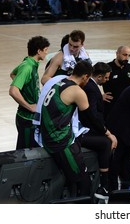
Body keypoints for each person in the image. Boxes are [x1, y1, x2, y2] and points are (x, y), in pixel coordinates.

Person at [36, 61, 94, 197]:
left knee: (73, 180)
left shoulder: (59, 82)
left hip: (48, 137)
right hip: (61, 142)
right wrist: (107, 132)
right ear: (85, 77)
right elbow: (90, 118)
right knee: (83, 181)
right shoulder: (77, 91)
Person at [78, 62, 117, 200]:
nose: (107, 80)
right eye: (106, 78)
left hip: (87, 127)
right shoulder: (92, 89)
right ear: (99, 76)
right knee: (107, 143)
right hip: (85, 130)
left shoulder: (91, 86)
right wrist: (106, 132)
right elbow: (92, 115)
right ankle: (104, 185)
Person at [9, 36, 50, 149]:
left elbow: (13, 74)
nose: (47, 53)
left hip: (29, 118)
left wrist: (25, 88)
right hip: (26, 118)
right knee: (25, 153)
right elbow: (13, 91)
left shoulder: (30, 63)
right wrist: (29, 106)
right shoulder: (27, 66)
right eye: (45, 50)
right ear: (39, 51)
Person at [102, 45, 130, 120]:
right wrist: (100, 96)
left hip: (126, 104)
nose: (127, 58)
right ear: (117, 53)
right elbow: (94, 81)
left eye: (129, 55)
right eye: (124, 55)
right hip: (110, 105)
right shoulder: (107, 67)